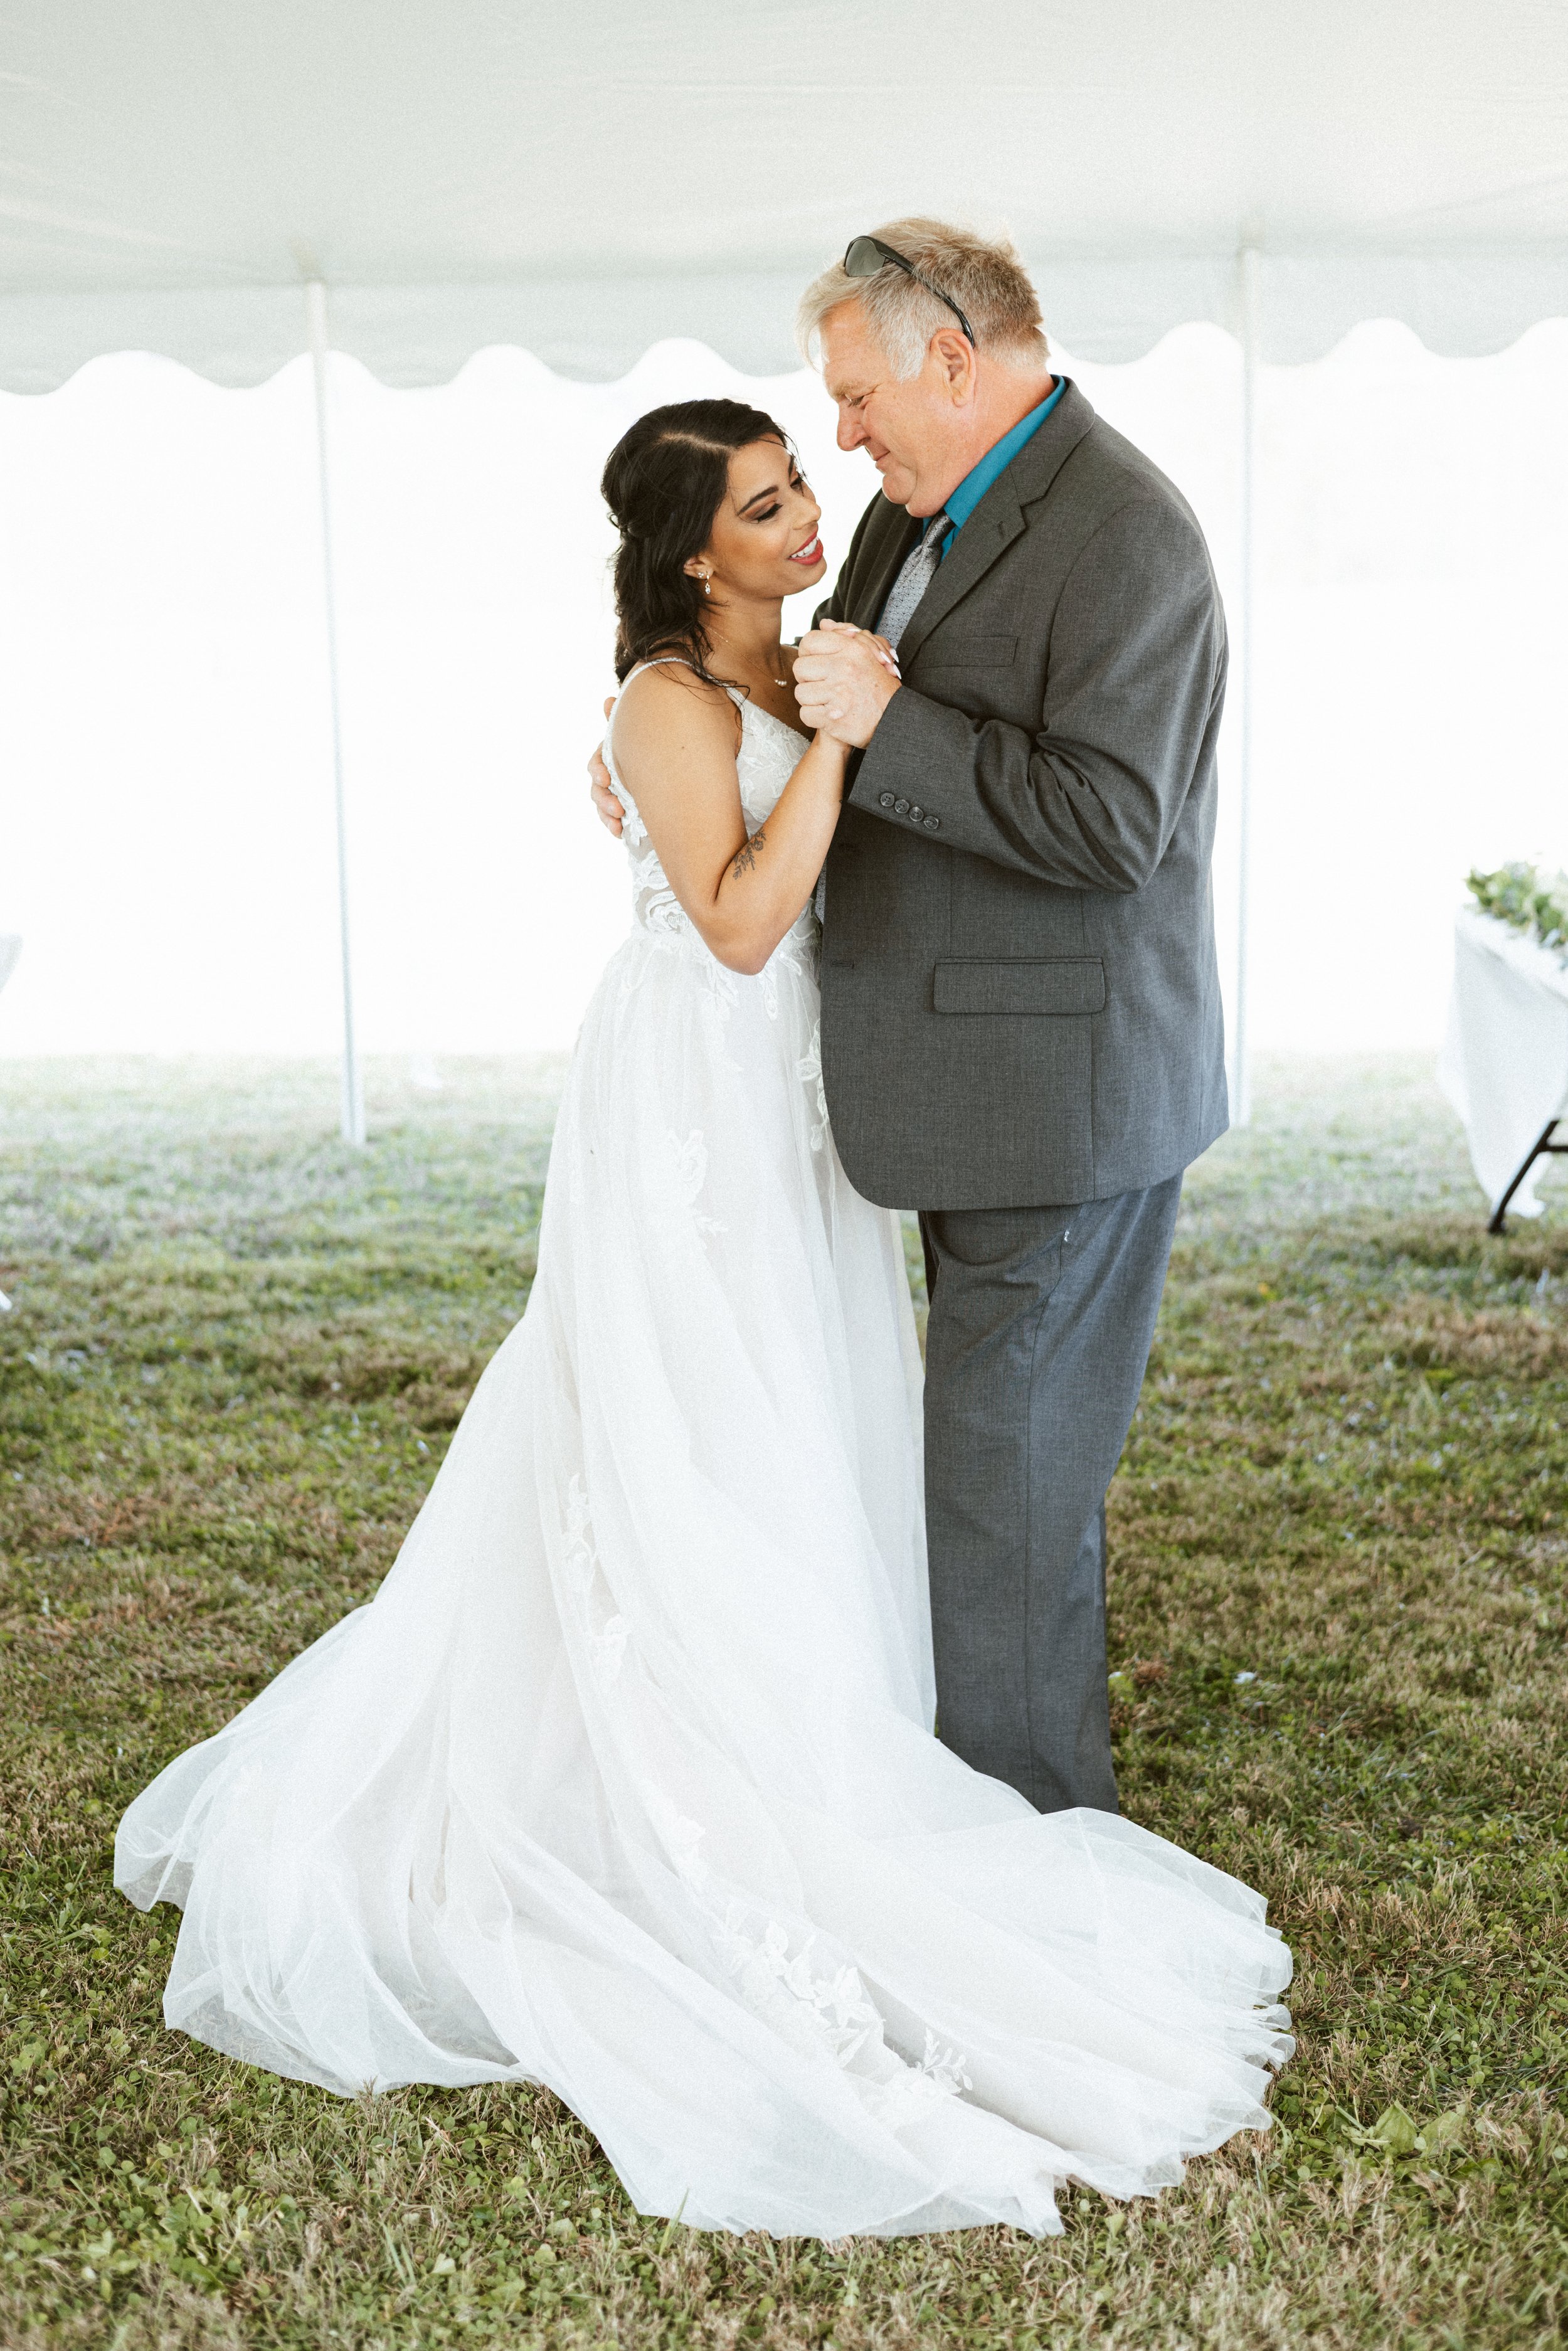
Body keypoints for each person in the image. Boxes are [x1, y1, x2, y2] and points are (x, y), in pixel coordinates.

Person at [118, 393, 1290, 2244]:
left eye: (807, 480)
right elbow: (742, 922)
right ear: (690, 552)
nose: (809, 511)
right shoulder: (667, 704)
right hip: (691, 1111)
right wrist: (821, 742)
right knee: (687, 1424)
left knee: (811, 1422)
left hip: (807, 1113)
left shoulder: (835, 631)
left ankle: (841, 1708)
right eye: (764, 502)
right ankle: (694, 1767)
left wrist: (833, 709)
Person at [591, 220, 1229, 1820]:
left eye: (857, 399)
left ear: (952, 356)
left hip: (1057, 1091)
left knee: (1003, 1489)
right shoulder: (905, 509)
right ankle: (959, 1801)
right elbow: (801, 706)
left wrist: (895, 726)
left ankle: (1023, 1854)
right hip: (929, 1079)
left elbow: (1109, 827)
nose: (847, 440)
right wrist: (673, 763)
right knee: (974, 1472)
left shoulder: (1129, 536)